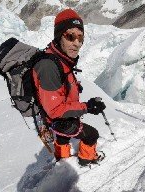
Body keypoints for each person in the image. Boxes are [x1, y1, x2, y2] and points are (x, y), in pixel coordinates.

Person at [32, 9, 106, 166]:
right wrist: (88, 107)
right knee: (92, 134)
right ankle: (87, 159)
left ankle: (62, 159)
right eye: (70, 36)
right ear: (59, 36)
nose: (76, 43)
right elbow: (55, 110)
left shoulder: (61, 59)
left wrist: (74, 88)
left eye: (80, 38)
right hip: (57, 119)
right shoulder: (49, 66)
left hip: (59, 119)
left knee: (63, 137)